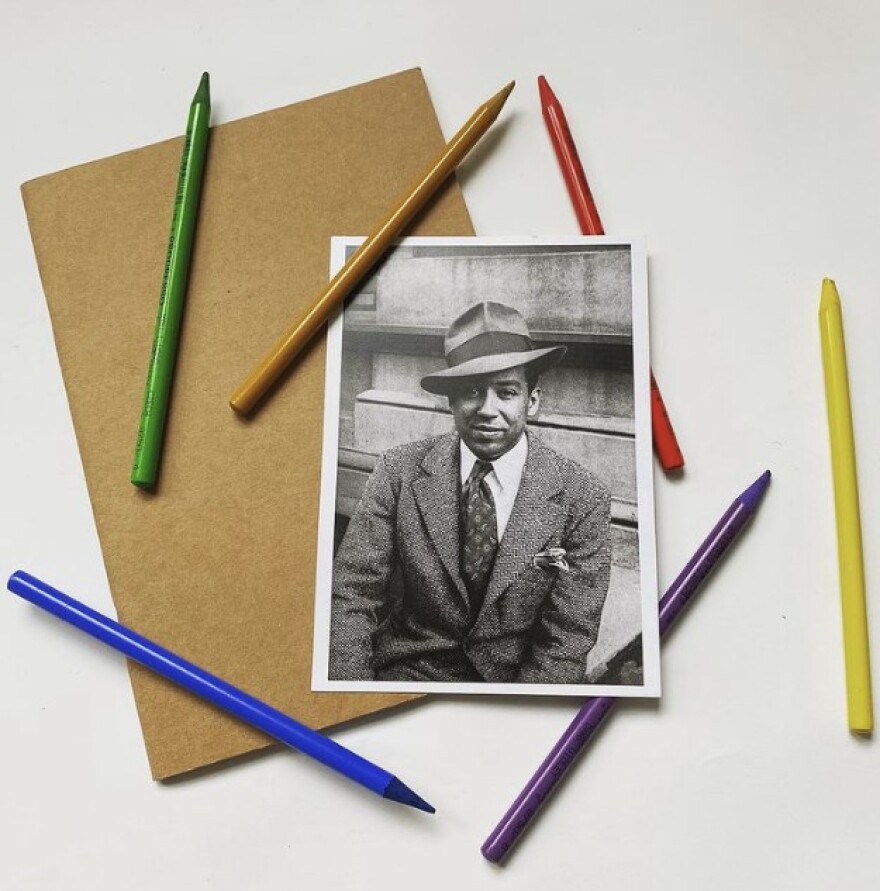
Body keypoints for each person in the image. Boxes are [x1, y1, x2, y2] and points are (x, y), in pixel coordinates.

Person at [329, 301, 611, 684]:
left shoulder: (583, 497)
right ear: (451, 401)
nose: (486, 409)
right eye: (471, 391)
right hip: (408, 671)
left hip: (514, 684)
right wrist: (349, 693)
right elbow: (351, 595)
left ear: (533, 401)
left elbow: (566, 639)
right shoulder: (398, 471)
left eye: (506, 392)